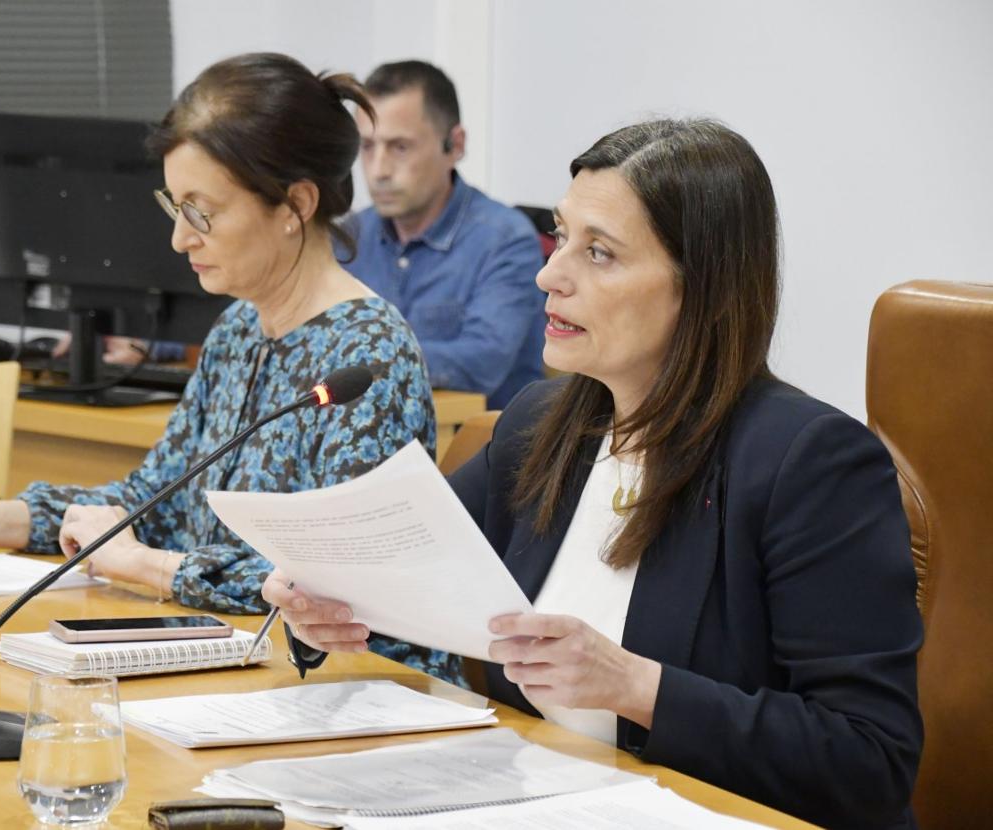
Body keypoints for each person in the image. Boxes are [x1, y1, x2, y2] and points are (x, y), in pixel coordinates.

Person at [265, 119, 924, 828]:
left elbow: (870, 760)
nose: (550, 274)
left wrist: (637, 686)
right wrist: (320, 603)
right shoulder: (543, 423)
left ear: (701, 287)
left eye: (600, 253)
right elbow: (407, 579)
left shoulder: (808, 462)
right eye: (560, 236)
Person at [0, 52, 460, 684]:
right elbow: (158, 501)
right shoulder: (239, 328)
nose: (180, 238)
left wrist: (149, 568)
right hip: (248, 671)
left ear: (295, 205)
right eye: (173, 206)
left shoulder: (366, 358)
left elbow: (342, 593)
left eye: (201, 212)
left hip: (366, 692)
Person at [347, 60, 544, 409]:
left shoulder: (506, 240)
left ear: (454, 145)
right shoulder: (348, 237)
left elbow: (483, 362)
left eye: (400, 147)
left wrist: (365, 359)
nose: (378, 170)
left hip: (478, 451)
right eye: (367, 147)